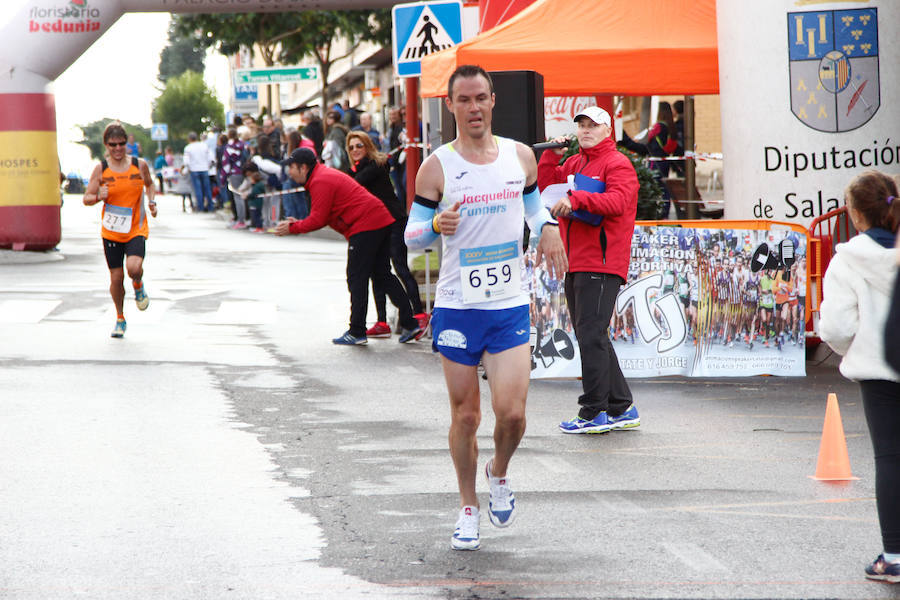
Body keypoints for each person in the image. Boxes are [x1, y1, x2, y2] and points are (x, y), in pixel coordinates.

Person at [404, 65, 567, 551]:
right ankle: (468, 506)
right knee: (467, 417)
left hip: (508, 303)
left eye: (481, 98)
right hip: (457, 305)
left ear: (492, 101)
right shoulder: (436, 166)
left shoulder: (520, 157)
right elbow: (411, 241)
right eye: (463, 100)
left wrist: (549, 229)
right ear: (450, 106)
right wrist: (436, 225)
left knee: (512, 415)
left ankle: (500, 471)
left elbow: (533, 209)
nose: (473, 108)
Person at [819, 170, 900, 583]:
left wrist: (852, 348)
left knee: (890, 459)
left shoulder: (848, 259)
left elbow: (835, 324)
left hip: (879, 369)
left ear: (853, 214)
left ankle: (895, 554)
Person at [539, 105, 641, 435]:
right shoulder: (575, 162)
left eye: (593, 125)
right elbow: (547, 189)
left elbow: (619, 203)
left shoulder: (617, 163)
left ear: (607, 130)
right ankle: (621, 406)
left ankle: (593, 411)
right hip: (577, 259)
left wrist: (578, 199)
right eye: (581, 124)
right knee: (592, 333)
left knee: (590, 334)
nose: (585, 130)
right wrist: (550, 157)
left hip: (602, 259)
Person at [274, 148, 423, 345]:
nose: (289, 172)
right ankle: (410, 323)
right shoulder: (320, 177)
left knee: (357, 276)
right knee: (382, 275)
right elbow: (324, 215)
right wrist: (298, 223)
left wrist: (292, 228)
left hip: (367, 224)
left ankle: (357, 330)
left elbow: (318, 219)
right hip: (378, 219)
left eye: (291, 167)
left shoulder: (320, 181)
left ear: (303, 167)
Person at [345, 130, 428, 337]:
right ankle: (383, 321)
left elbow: (354, 184)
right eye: (351, 147)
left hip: (393, 221)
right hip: (376, 224)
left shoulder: (376, 165)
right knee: (377, 271)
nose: (355, 150)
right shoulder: (359, 168)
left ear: (367, 146)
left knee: (398, 266)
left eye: (359, 145)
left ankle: (417, 315)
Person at [82, 122, 157, 338]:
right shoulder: (101, 169)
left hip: (135, 228)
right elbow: (86, 198)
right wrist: (98, 197)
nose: (117, 149)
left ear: (127, 144)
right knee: (116, 278)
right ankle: (120, 317)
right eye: (113, 144)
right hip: (112, 232)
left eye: (121, 144)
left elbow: (150, 184)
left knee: (133, 267)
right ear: (106, 145)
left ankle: (138, 283)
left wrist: (152, 202)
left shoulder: (138, 165)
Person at [184, 132, 214, 212]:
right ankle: (210, 206)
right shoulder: (204, 145)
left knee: (198, 189)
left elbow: (186, 161)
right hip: (204, 169)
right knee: (207, 189)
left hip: (194, 170)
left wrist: (188, 168)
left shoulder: (188, 148)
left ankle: (200, 207)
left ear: (189, 139)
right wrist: (208, 166)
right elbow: (210, 157)